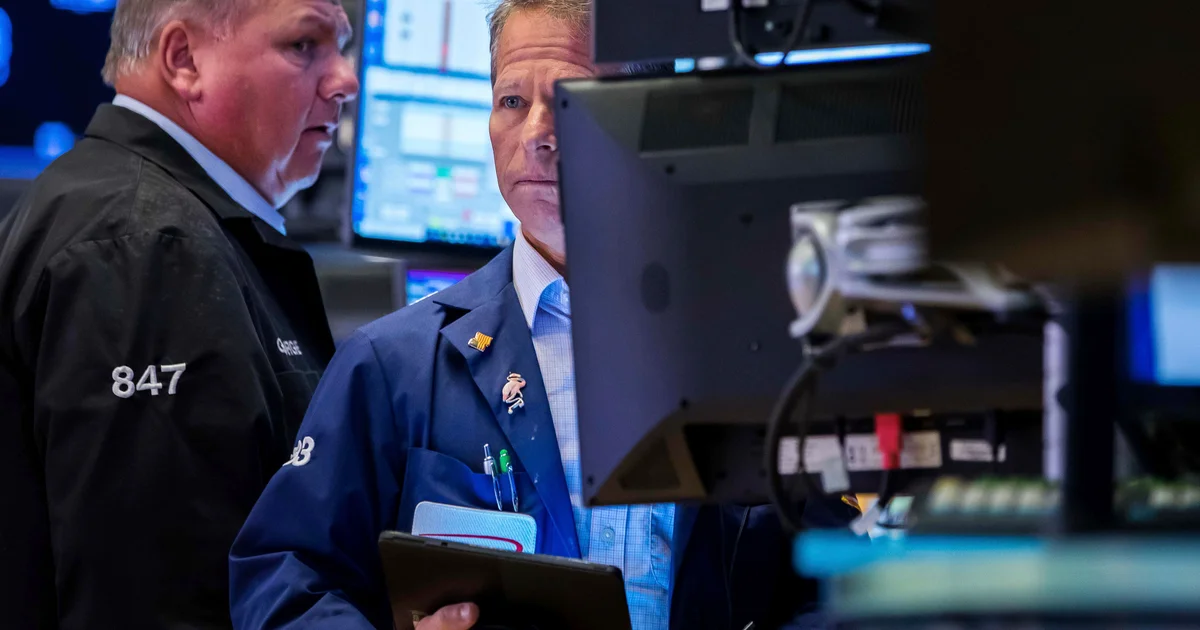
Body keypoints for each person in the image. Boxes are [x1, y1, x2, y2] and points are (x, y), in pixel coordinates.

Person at [229, 1, 857, 629]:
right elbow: (285, 581)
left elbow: (843, 588)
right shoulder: (393, 365)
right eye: (511, 101)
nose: (535, 133)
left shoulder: (759, 353)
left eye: (569, 100)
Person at [0, 0, 358, 627]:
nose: (346, 80)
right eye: (304, 45)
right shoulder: (152, 249)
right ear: (184, 59)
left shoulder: (130, 213)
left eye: (342, 47)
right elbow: (160, 602)